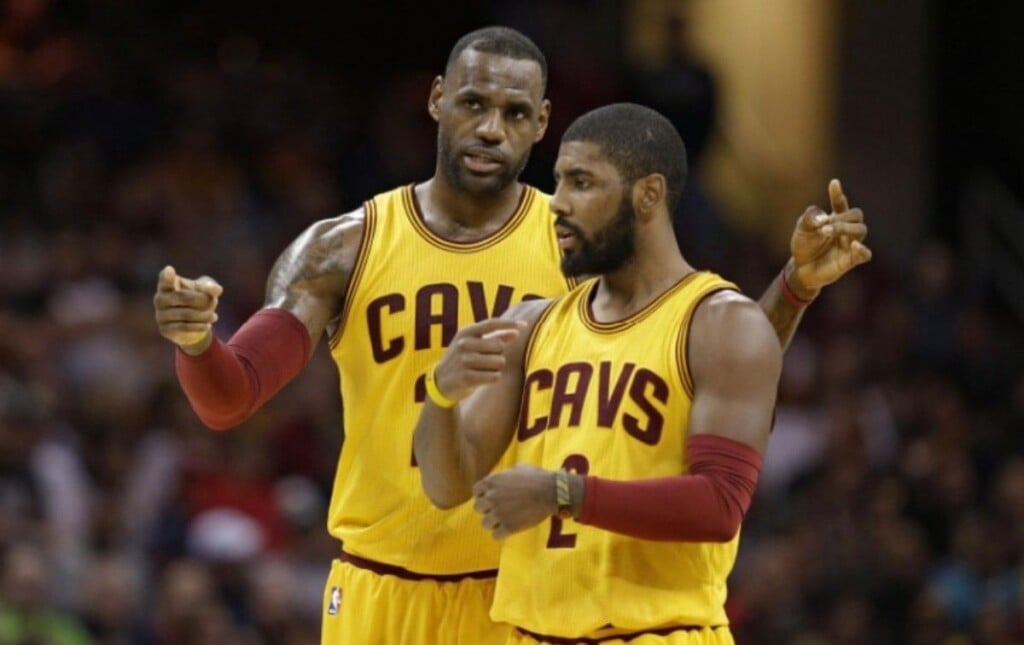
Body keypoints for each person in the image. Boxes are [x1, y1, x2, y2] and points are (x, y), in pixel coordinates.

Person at [153, 28, 870, 645]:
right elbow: (232, 395)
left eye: (514, 112)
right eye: (473, 104)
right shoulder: (347, 246)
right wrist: (196, 346)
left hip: (520, 597)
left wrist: (793, 289)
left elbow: (708, 357)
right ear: (437, 100)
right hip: (381, 585)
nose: (492, 128)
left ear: (541, 123)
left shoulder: (580, 241)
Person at [413, 103, 851, 644]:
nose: (559, 204)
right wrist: (441, 394)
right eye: (557, 182)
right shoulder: (529, 326)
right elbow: (446, 486)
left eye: (581, 182)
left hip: (657, 632)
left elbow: (719, 506)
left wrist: (564, 493)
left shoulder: (717, 318)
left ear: (648, 194)